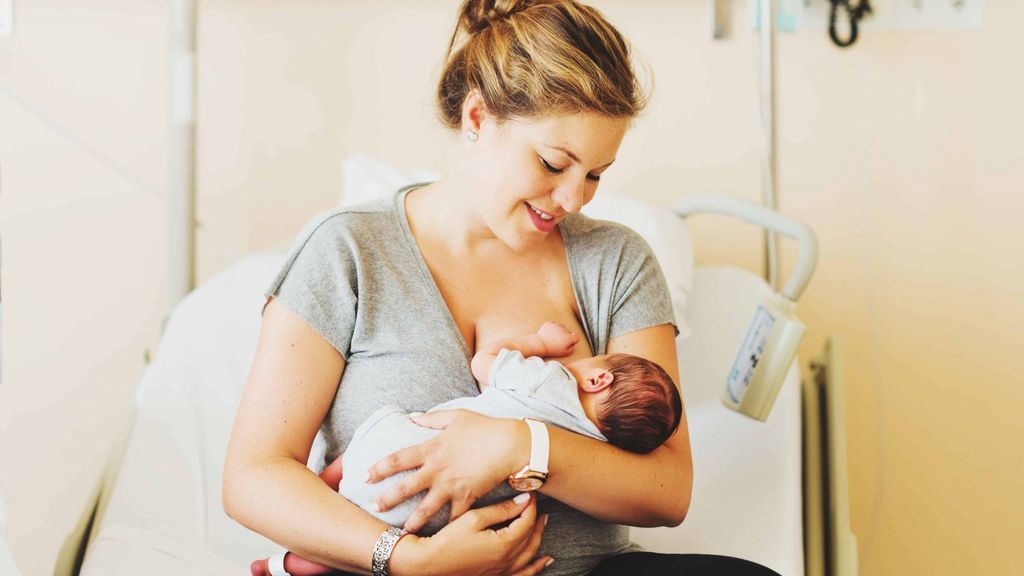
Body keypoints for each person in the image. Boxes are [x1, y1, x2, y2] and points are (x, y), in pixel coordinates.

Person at [224, 1, 781, 575]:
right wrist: (411, 560)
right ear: (477, 119)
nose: (572, 199)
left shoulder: (615, 261)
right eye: (552, 163)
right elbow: (254, 475)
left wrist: (521, 446)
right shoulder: (348, 252)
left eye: (594, 174)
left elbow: (666, 491)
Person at [249, 321, 682, 576]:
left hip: (389, 457)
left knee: (388, 426)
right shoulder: (596, 445)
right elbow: (253, 473)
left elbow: (486, 361)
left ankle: (326, 493)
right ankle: (292, 563)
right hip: (436, 522)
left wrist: (540, 347)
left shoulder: (552, 379)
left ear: (597, 379)